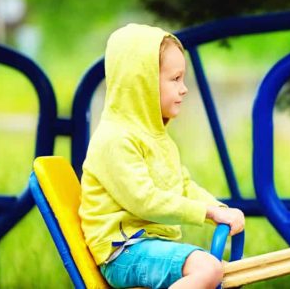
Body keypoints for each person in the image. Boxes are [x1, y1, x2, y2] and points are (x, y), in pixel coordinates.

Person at [79, 24, 245, 288]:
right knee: (208, 269)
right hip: (123, 250)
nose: (184, 88)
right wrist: (207, 212)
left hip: (146, 245)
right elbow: (144, 200)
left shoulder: (159, 138)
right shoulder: (115, 139)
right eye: (175, 79)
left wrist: (220, 209)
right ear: (141, 84)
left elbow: (184, 186)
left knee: (215, 271)